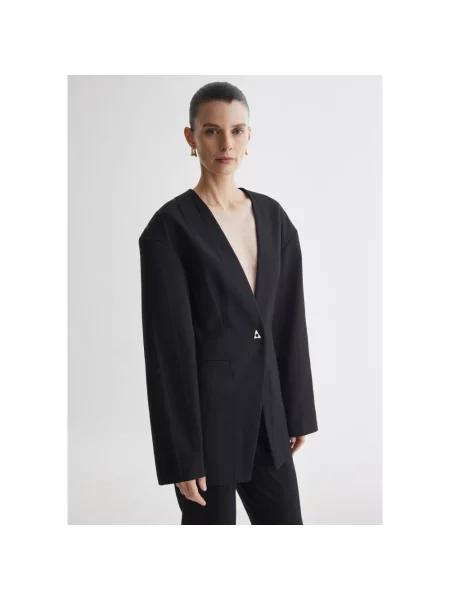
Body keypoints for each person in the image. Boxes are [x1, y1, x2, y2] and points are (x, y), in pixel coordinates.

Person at [138, 81, 318, 524]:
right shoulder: (169, 230)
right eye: (212, 131)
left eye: (237, 131)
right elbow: (168, 351)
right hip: (206, 430)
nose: (226, 144)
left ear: (249, 137)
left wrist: (295, 411)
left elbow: (288, 321)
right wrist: (182, 454)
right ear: (191, 137)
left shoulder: (274, 219)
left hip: (267, 420)